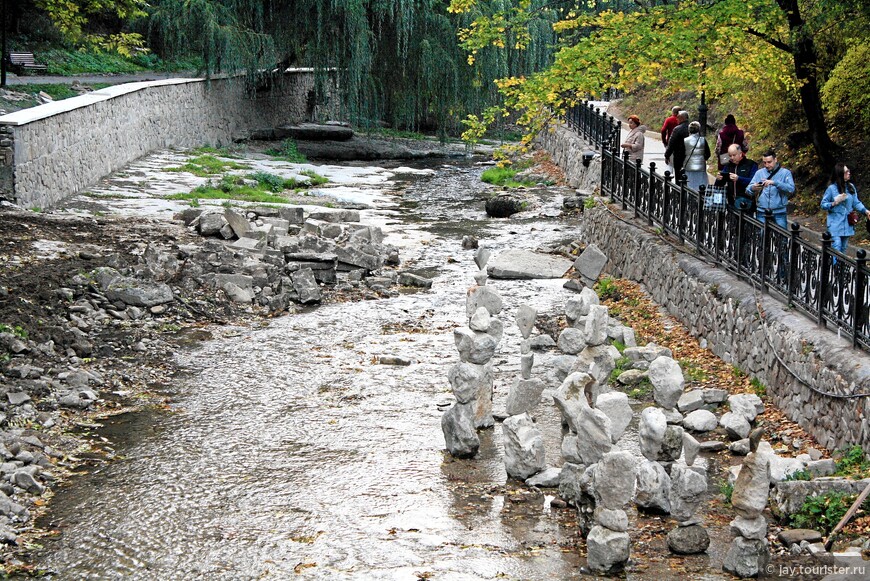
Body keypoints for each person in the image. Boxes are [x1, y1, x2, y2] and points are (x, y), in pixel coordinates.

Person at [820, 163, 870, 254]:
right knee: (837, 246)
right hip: (835, 223)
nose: (849, 173)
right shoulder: (831, 189)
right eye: (846, 172)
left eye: (849, 171)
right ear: (840, 174)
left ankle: (840, 268)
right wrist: (834, 203)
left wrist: (866, 211)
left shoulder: (851, 187)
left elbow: (856, 202)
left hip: (847, 223)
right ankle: (835, 268)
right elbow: (823, 204)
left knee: (843, 249)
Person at [748, 149, 795, 228]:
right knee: (761, 236)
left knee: (782, 237)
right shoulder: (759, 173)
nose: (766, 165)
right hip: (762, 211)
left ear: (775, 160)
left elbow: (791, 189)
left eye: (769, 162)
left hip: (779, 211)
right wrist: (753, 188)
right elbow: (748, 190)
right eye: (764, 162)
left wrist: (775, 183)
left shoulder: (785, 173)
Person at [714, 143, 758, 210]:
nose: (732, 158)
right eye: (730, 155)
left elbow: (754, 182)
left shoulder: (751, 164)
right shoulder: (728, 165)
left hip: (746, 202)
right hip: (731, 202)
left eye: (734, 155)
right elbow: (719, 185)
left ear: (740, 154)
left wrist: (739, 179)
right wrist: (719, 179)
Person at [683, 121, 711, 192]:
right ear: (698, 130)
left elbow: (682, 153)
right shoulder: (703, 140)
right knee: (701, 183)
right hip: (701, 166)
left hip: (689, 166)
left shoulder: (685, 140)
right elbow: (708, 153)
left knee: (690, 184)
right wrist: (703, 159)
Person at [664, 110, 690, 180]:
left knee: (679, 176)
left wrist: (667, 155)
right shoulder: (692, 128)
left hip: (679, 156)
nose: (676, 119)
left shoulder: (677, 129)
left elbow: (671, 143)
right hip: (690, 156)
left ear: (682, 118)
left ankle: (679, 190)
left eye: (678, 117)